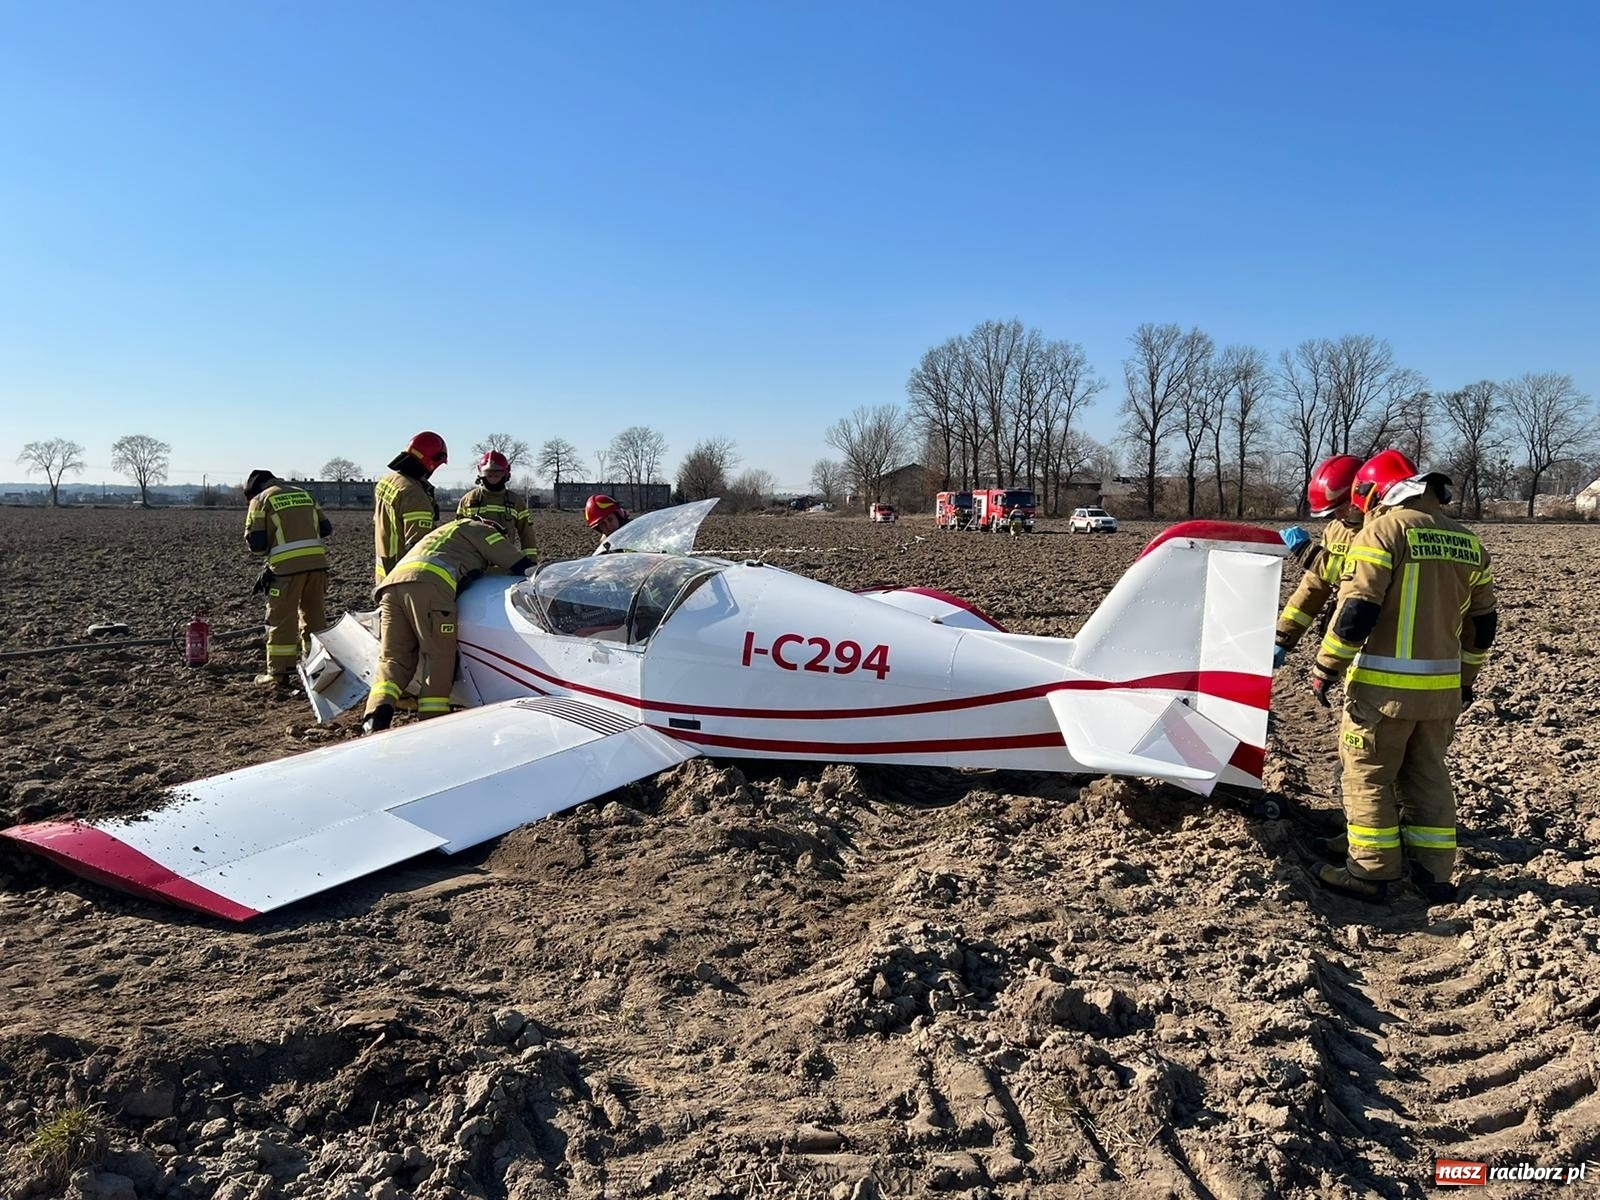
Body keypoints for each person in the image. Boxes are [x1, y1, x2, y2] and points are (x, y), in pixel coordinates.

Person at [1308, 449, 1497, 903]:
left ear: (1379, 493)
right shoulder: (1468, 541)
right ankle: (1432, 873)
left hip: (1384, 690)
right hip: (1442, 694)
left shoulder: (1384, 531)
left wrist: (1326, 667)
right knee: (1427, 775)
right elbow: (1484, 626)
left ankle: (1372, 872)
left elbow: (1357, 612)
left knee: (1367, 774)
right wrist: (1465, 681)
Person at [361, 516, 537, 733]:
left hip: (391, 589)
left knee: (394, 657)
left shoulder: (446, 534)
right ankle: (432, 722)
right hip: (428, 587)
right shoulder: (481, 529)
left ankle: (375, 716)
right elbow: (521, 566)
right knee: (438, 656)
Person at [1273, 455, 1365, 669]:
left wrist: (1308, 553)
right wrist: (1283, 637)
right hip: (1342, 638)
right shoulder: (1335, 530)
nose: (1339, 516)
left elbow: (1360, 579)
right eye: (1333, 512)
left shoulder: (1381, 530)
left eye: (1343, 508)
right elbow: (1314, 587)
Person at [243, 470, 332, 688]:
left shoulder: (260, 500)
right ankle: (317, 667)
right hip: (317, 565)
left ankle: (279, 673)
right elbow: (326, 528)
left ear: (254, 490)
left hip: (286, 570)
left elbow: (257, 543)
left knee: (281, 620)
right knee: (315, 617)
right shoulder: (304, 494)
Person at [374, 431, 447, 585]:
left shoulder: (387, 481)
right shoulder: (414, 495)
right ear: (432, 462)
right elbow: (420, 546)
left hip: (383, 570)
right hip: (402, 577)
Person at [457, 451, 533, 551]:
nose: (493, 480)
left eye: (497, 476)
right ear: (481, 475)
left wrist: (530, 562)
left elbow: (527, 534)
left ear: (506, 475)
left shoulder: (516, 501)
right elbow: (457, 532)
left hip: (504, 560)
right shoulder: (468, 500)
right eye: (489, 476)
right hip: (473, 561)